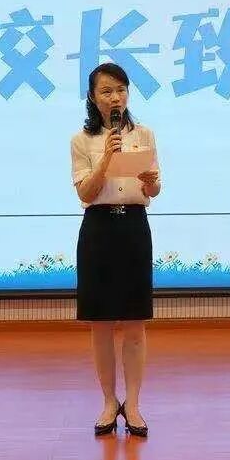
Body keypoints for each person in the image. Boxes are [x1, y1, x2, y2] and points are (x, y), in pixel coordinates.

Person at [70, 63, 161, 437]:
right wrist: (107, 157)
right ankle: (109, 402)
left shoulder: (145, 134)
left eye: (121, 90)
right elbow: (85, 192)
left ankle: (133, 404)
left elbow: (154, 190)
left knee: (135, 322)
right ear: (93, 97)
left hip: (134, 228)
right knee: (102, 323)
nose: (115, 97)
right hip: (99, 230)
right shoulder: (82, 140)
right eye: (106, 91)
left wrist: (151, 182)